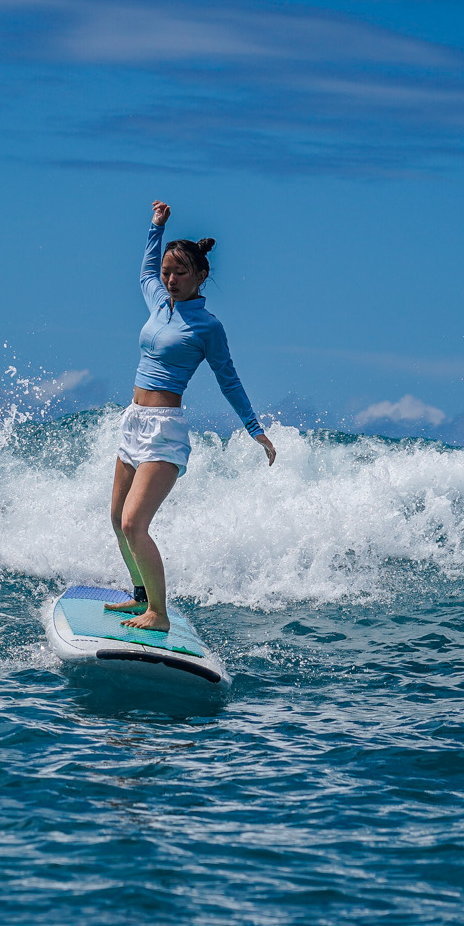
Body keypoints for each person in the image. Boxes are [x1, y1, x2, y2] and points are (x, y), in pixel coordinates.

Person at [108, 200, 276, 633]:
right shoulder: (158, 301)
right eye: (168, 272)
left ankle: (159, 615)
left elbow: (229, 379)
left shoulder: (208, 327)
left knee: (134, 522)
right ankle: (141, 595)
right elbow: (145, 271)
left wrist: (255, 430)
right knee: (116, 519)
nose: (171, 280)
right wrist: (155, 227)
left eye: (181, 273)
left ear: (201, 276)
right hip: (133, 422)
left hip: (165, 431)